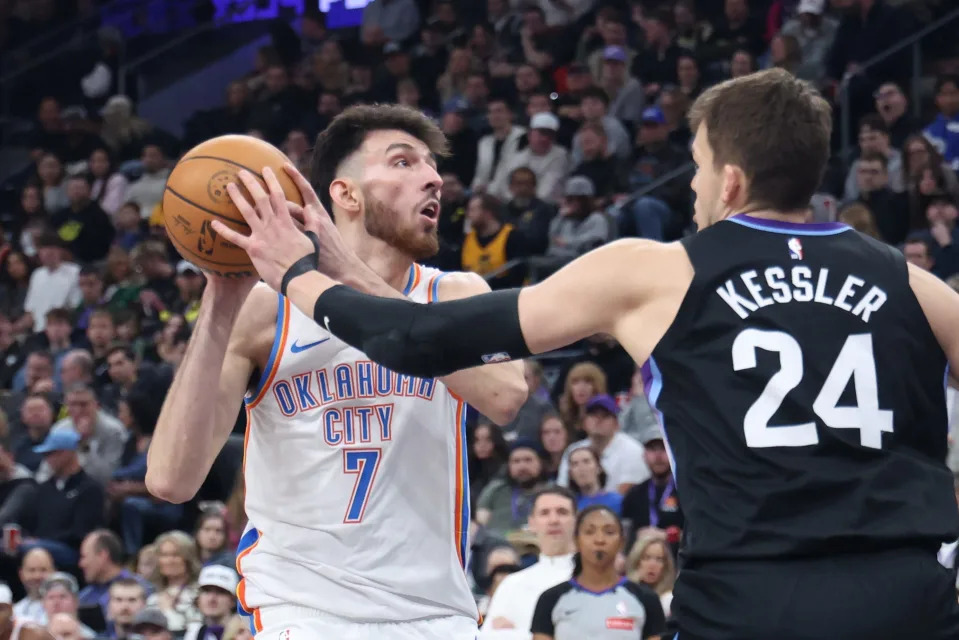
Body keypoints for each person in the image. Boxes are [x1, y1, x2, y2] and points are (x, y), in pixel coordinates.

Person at [220, 68, 959, 638]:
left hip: (750, 593)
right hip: (907, 594)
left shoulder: (656, 271)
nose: (694, 186)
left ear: (730, 180)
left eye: (698, 166)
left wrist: (296, 272)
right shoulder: (914, 284)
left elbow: (417, 340)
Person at [146, 104, 527, 639]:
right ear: (346, 194)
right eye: (404, 162)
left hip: (436, 614)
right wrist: (221, 296)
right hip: (303, 610)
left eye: (432, 165)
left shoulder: (452, 294)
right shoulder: (267, 310)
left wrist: (345, 274)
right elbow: (170, 480)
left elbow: (506, 395)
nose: (433, 178)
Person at [531, 505, 665, 640]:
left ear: (622, 542)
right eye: (590, 532)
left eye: (609, 532)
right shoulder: (550, 599)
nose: (599, 540)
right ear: (576, 541)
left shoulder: (646, 599)